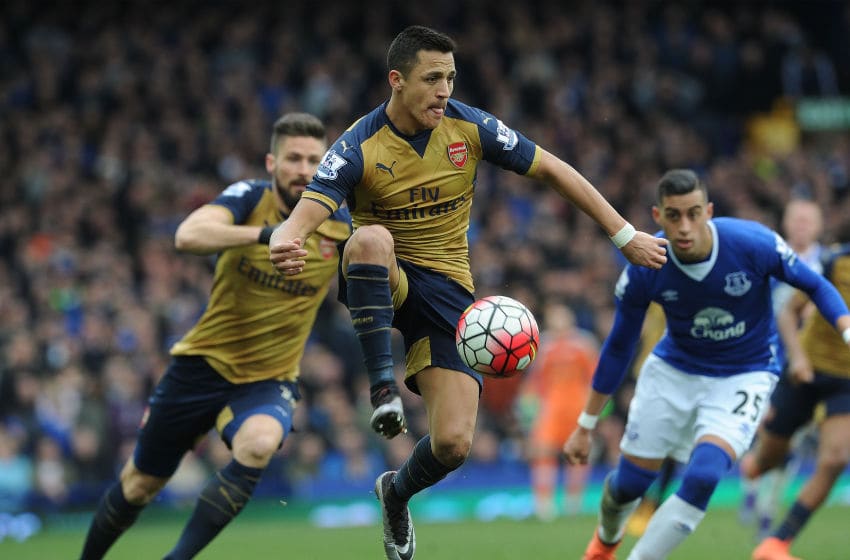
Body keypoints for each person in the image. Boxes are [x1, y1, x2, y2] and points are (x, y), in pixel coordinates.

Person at [269, 25, 667, 560]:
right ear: (397, 81)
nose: (445, 90)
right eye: (432, 78)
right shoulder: (359, 144)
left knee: (453, 445)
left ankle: (396, 492)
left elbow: (551, 168)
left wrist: (624, 234)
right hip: (390, 274)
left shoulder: (470, 128)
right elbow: (312, 205)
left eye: (451, 77)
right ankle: (383, 392)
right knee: (366, 239)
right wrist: (287, 236)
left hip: (451, 294)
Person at [78, 113, 351, 560]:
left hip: (269, 376)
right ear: (271, 163)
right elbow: (188, 235)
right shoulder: (249, 197)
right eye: (293, 158)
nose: (303, 169)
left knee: (260, 443)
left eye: (313, 160)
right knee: (139, 486)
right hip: (202, 364)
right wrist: (268, 235)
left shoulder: (339, 223)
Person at [562, 169, 850, 560]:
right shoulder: (647, 264)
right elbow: (618, 345)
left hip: (744, 374)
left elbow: (814, 284)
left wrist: (846, 328)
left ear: (709, 211)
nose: (685, 226)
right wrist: (586, 425)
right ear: (658, 216)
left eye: (694, 213)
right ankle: (603, 544)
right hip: (673, 371)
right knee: (629, 484)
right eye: (674, 215)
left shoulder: (753, 243)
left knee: (703, 475)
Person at [742, 228, 850, 560]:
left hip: (846, 381)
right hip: (807, 371)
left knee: (835, 459)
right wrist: (799, 358)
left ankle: (776, 543)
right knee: (769, 458)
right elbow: (788, 312)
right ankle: (755, 464)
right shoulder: (835, 262)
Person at [740, 198, 824, 540]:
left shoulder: (828, 264)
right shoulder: (769, 260)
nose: (802, 225)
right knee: (761, 433)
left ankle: (767, 506)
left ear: (818, 226)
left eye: (809, 220)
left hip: (808, 368)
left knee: (792, 441)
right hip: (764, 363)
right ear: (786, 223)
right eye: (797, 219)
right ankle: (755, 484)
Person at [519, 301, 598, 520]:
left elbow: (595, 379)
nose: (559, 320)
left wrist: (597, 412)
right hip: (550, 409)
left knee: (577, 454)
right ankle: (544, 504)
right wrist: (529, 409)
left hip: (577, 408)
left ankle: (574, 503)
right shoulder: (543, 346)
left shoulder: (584, 344)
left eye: (562, 315)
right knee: (543, 453)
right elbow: (534, 381)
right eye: (554, 316)